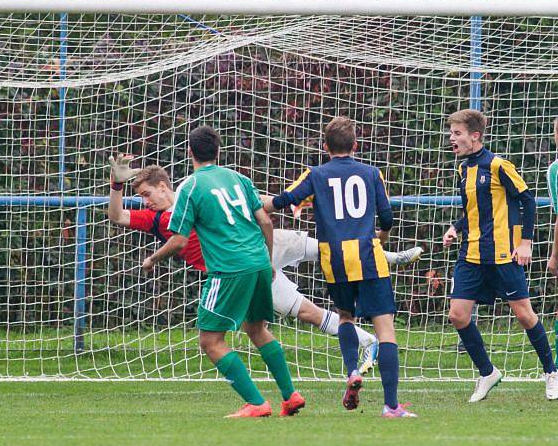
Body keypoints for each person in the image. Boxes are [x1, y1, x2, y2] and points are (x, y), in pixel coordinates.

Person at [108, 160, 423, 375]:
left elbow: (252, 201)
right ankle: (366, 340)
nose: (145, 201)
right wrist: (116, 185)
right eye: (141, 196)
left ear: (164, 185)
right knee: (305, 312)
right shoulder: (158, 219)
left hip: (257, 251)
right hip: (248, 270)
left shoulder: (199, 192)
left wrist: (291, 201)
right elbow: (117, 217)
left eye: (147, 194)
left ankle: (391, 256)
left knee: (328, 248)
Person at [140, 125, 303, 418]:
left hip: (229, 269)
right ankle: (290, 395)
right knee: (256, 329)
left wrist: (153, 259)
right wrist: (266, 260)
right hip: (258, 263)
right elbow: (266, 222)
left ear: (190, 153)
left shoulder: (189, 187)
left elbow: (178, 241)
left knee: (210, 340)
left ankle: (256, 403)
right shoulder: (238, 178)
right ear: (218, 150)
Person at [266, 116, 416, 418]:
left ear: (325, 147)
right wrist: (382, 237)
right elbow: (386, 217)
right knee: (385, 328)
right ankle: (391, 406)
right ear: (355, 146)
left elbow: (283, 200)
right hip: (367, 254)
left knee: (345, 316)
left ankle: (350, 371)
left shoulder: (316, 174)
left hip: (333, 258)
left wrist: (251, 205)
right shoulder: (372, 173)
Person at [443, 109, 557, 401]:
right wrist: (455, 228)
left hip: (504, 256)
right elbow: (472, 211)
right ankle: (487, 372)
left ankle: (551, 372)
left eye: (457, 133)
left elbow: (527, 201)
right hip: (470, 256)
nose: (451, 138)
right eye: (451, 133)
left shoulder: (498, 165)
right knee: (458, 315)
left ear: (475, 136)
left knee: (524, 315)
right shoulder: (462, 169)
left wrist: (526, 243)